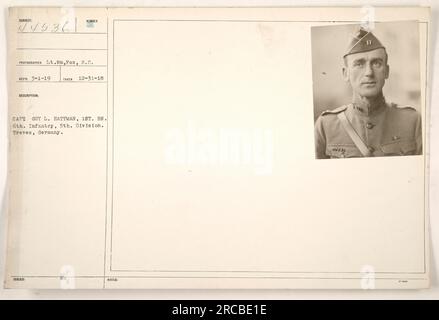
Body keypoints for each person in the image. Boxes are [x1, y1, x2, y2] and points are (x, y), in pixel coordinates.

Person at [314, 27, 422, 159]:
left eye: (376, 63)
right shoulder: (326, 126)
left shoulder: (412, 122)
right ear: (345, 73)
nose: (369, 73)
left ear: (386, 71)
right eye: (359, 64)